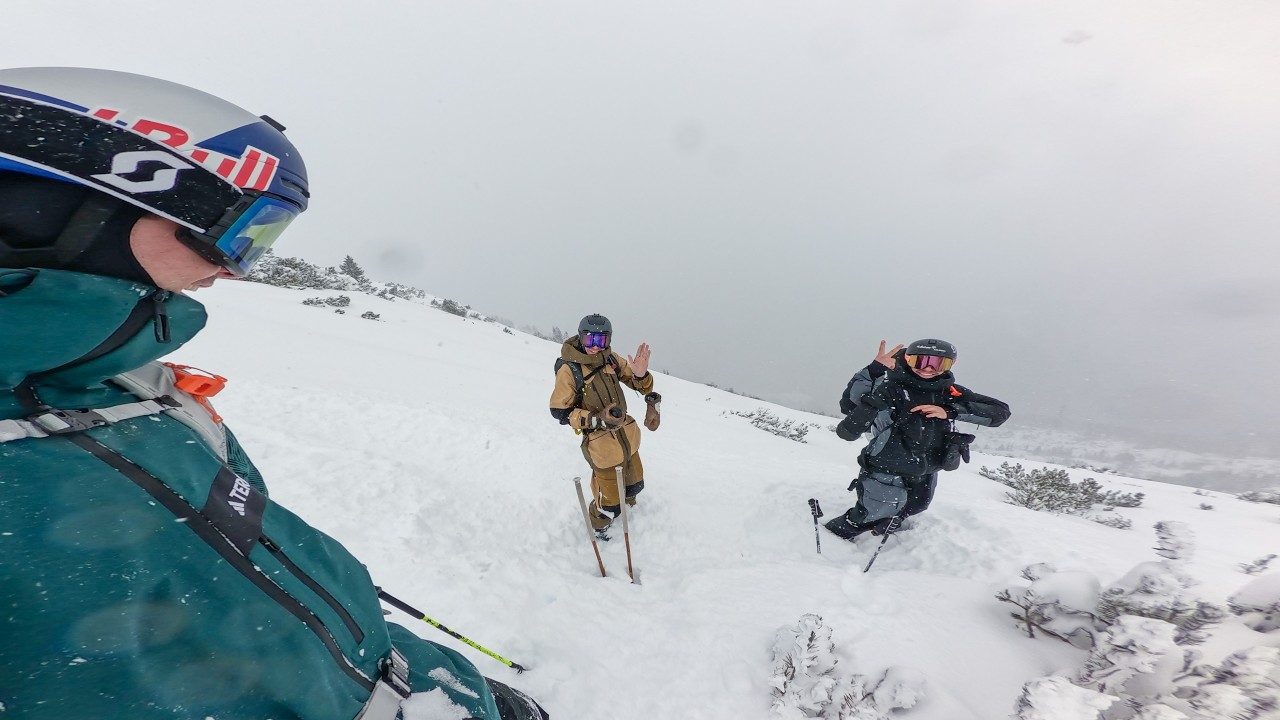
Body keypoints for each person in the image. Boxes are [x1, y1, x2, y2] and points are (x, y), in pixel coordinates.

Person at [0, 67, 545, 720]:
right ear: (69, 204)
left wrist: (432, 681)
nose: (234, 269)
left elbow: (267, 581)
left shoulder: (138, 394)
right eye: (237, 233)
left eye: (261, 243)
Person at [824, 339, 1010, 540]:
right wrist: (874, 370)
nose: (928, 369)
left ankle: (890, 522)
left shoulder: (949, 392)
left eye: (939, 364)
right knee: (868, 515)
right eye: (920, 361)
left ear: (950, 365)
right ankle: (835, 537)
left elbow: (999, 412)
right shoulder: (891, 388)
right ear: (907, 359)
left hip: (928, 466)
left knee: (916, 505)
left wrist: (950, 411)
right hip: (888, 464)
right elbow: (851, 409)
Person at [549, 313, 655, 533]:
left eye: (601, 340)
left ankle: (628, 509)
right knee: (609, 503)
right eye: (590, 340)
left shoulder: (611, 360)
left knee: (635, 484)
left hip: (627, 437)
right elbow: (559, 410)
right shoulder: (570, 369)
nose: (595, 347)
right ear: (580, 338)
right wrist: (595, 419)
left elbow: (641, 386)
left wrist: (641, 375)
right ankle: (600, 525)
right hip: (601, 445)